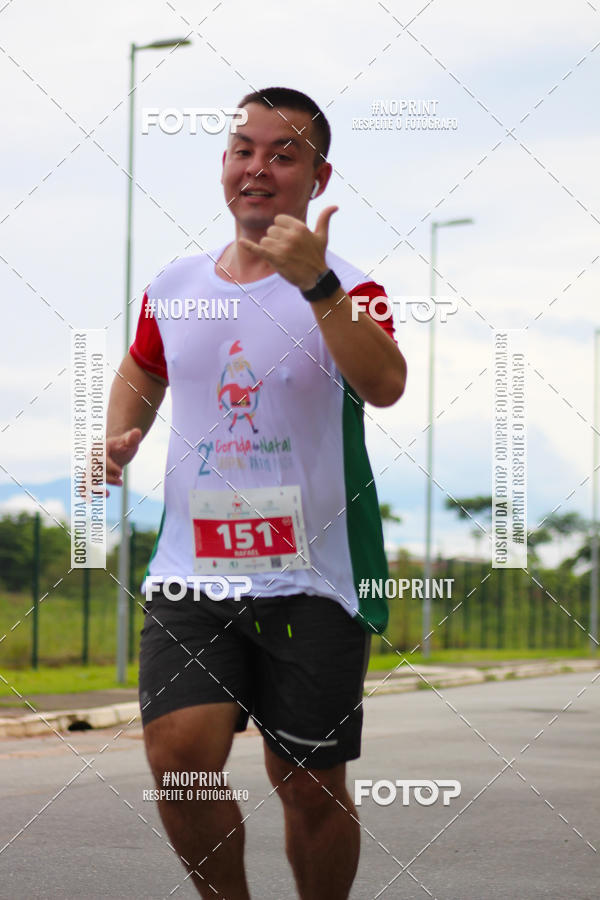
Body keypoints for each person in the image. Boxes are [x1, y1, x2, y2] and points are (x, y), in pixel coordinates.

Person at [106, 86, 407, 899]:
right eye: (244, 149)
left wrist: (314, 286)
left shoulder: (351, 285)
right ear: (224, 165)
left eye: (284, 153)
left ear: (318, 175)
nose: (259, 167)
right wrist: (122, 432)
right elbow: (145, 365)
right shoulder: (173, 284)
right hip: (191, 571)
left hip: (314, 579)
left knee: (307, 784)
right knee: (178, 761)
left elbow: (384, 383)